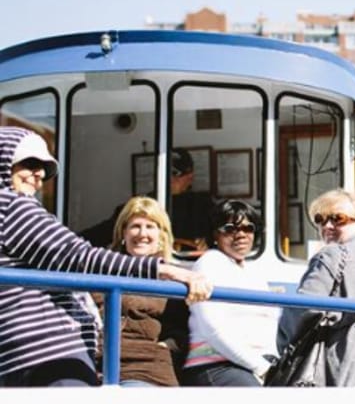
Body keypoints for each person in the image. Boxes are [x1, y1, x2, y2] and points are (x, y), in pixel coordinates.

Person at [0, 126, 211, 387]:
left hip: (21, 353)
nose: (39, 174)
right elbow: (78, 257)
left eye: (45, 168)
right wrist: (164, 270)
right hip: (48, 353)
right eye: (30, 163)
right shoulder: (12, 205)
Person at [277, 189, 355, 386]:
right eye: (320, 219)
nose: (327, 225)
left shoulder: (332, 255)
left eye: (337, 218)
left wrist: (281, 346)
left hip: (340, 376)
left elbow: (302, 311)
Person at [93, 196, 211, 386]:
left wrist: (167, 346)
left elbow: (186, 328)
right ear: (123, 233)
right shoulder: (102, 270)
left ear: (161, 236)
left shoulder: (176, 278)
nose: (142, 234)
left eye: (150, 227)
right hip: (99, 364)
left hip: (147, 368)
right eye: (135, 226)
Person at [183, 200, 279, 386]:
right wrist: (262, 368)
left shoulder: (254, 272)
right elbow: (213, 328)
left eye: (248, 228)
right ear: (215, 235)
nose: (241, 234)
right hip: (216, 364)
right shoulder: (210, 263)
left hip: (255, 366)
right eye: (230, 229)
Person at [80, 147, 214, 253]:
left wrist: (209, 243)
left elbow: (225, 235)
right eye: (164, 173)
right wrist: (68, 243)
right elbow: (105, 232)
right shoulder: (142, 205)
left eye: (175, 173)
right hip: (148, 268)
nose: (169, 179)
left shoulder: (204, 206)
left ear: (190, 176)